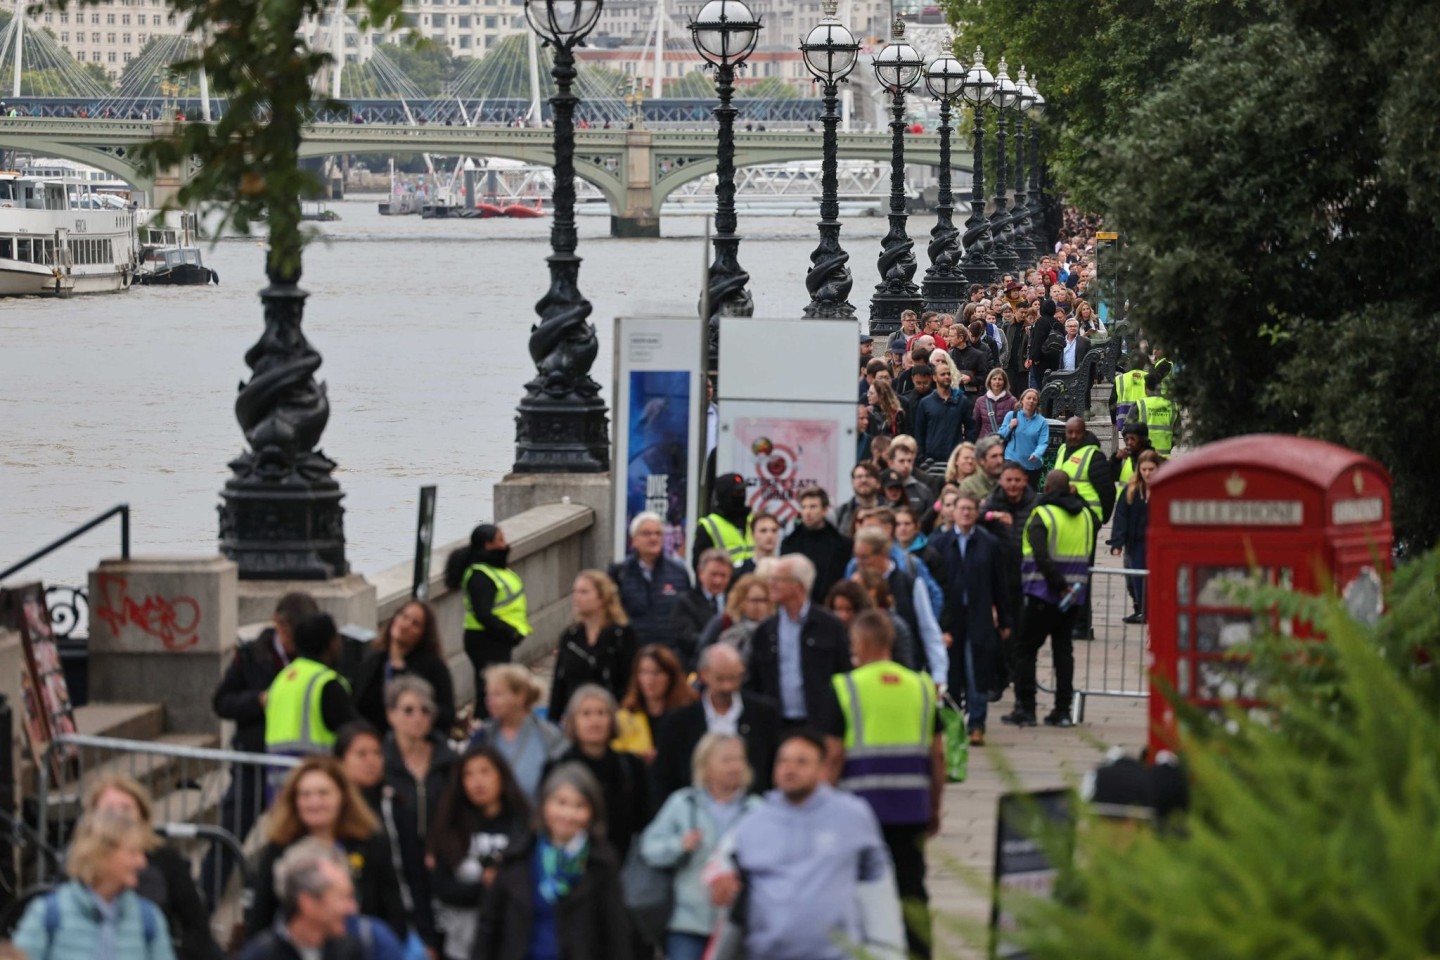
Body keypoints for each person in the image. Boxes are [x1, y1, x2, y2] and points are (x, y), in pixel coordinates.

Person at [706, 730, 901, 960]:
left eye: (801, 762)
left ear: (822, 769)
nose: (790, 769)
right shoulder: (753, 821)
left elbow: (878, 881)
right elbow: (720, 866)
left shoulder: (852, 816)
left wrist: (888, 950)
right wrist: (721, 880)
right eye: (784, 761)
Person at [831, 612, 945, 959]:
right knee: (911, 890)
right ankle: (919, 952)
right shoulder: (922, 687)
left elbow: (834, 754)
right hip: (910, 807)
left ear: (862, 642)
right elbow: (937, 755)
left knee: (854, 888)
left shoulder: (845, 686)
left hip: (858, 809)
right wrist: (934, 807)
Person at [207, 591, 317, 905]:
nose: (297, 641)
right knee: (229, 835)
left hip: (296, 766)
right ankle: (205, 903)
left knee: (297, 840)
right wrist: (258, 701)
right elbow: (222, 702)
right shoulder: (252, 655)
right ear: (278, 625)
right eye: (292, 632)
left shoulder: (314, 656)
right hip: (253, 761)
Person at [473, 764, 631, 960]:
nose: (568, 814)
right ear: (544, 805)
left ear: (592, 812)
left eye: (579, 805)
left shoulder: (602, 863)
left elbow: (616, 933)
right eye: (561, 802)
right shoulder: (518, 855)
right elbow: (489, 924)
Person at [245, 757, 407, 939]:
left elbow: (393, 907)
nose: (314, 803)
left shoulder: (369, 843)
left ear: (342, 796)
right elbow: (261, 915)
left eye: (323, 793)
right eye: (305, 795)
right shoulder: (280, 848)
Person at [639, 734, 762, 960]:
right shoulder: (684, 803)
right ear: (705, 766)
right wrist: (679, 845)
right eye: (726, 760)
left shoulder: (757, 810)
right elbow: (649, 847)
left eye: (739, 759)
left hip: (740, 922)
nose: (735, 767)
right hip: (688, 922)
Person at [82, 777, 222, 960]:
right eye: (109, 812)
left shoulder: (166, 861)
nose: (118, 819)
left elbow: (196, 926)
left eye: (125, 809)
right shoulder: (75, 872)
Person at [1002, 470, 1099, 729]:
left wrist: (1057, 585)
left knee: (1025, 650)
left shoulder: (1042, 515)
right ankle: (1063, 710)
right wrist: (1070, 588)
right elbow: (1087, 556)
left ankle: (1026, 708)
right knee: (1063, 650)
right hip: (1074, 596)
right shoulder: (1087, 517)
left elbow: (1041, 555)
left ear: (1046, 486)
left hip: (1042, 593)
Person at [12, 809, 175, 960]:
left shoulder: (149, 920)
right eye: (132, 853)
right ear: (101, 853)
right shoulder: (49, 914)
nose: (142, 862)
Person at [333, 723, 435, 953]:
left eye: (377, 753)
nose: (371, 760)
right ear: (340, 761)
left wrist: (427, 935)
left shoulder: (395, 805)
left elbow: (415, 872)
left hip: (398, 926)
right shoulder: (331, 810)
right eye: (361, 754)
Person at [427, 744, 532, 960]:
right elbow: (443, 888)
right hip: (461, 945)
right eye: (468, 774)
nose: (477, 782)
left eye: (485, 771)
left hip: (514, 942)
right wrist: (485, 886)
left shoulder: (524, 825)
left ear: (501, 775)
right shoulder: (449, 827)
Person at [651, 643, 781, 807]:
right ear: (704, 675)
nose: (728, 686)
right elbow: (663, 778)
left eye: (733, 678)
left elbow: (774, 767)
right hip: (694, 814)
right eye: (720, 678)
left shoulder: (764, 714)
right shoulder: (678, 722)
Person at [930, 493, 1011, 745]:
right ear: (952, 512)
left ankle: (977, 724)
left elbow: (1000, 584)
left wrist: (1006, 620)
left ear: (977, 512)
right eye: (961, 508)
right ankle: (953, 724)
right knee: (952, 674)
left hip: (979, 615)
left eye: (970, 509)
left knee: (976, 671)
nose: (965, 513)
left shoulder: (989, 543)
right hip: (950, 618)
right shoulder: (940, 543)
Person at [746, 555, 851, 731]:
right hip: (776, 727)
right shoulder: (765, 630)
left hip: (819, 726)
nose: (771, 584)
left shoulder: (830, 626)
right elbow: (755, 680)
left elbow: (843, 674)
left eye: (778, 580)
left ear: (799, 585)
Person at [545, 685, 650, 862]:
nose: (595, 721)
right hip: (569, 865)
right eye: (586, 714)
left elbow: (645, 818)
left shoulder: (631, 766)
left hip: (620, 866)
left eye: (601, 713)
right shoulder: (557, 767)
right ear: (573, 721)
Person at [445, 523, 530, 716]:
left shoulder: (495, 569)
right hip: (486, 640)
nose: (505, 544)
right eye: (500, 540)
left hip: (496, 639)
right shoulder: (480, 576)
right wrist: (509, 632)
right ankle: (486, 728)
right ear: (487, 545)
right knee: (491, 691)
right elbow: (483, 614)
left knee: (494, 688)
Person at [264, 613, 356, 787]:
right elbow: (352, 732)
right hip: (319, 783)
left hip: (279, 787)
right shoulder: (326, 683)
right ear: (331, 643)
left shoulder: (282, 679)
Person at [851, 528, 948, 691]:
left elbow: (928, 629)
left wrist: (939, 676)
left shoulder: (911, 584)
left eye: (865, 557)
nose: (858, 562)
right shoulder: (854, 583)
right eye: (857, 556)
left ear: (883, 554)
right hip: (864, 677)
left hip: (905, 673)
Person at [234, 841, 362, 960]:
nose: (352, 908)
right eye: (343, 898)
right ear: (308, 903)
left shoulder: (350, 951)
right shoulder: (260, 955)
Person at [352, 600, 455, 736]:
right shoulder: (375, 659)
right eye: (404, 616)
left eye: (415, 624)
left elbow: (447, 715)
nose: (406, 625)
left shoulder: (433, 667)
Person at [979, 461, 1040, 685]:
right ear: (1001, 481)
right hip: (997, 577)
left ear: (1025, 480)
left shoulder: (1035, 504)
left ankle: (1019, 674)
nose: (1013, 485)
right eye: (1009, 480)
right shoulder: (993, 501)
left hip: (1025, 578)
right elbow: (973, 517)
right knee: (997, 630)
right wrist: (992, 516)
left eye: (1017, 480)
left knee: (1021, 630)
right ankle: (999, 676)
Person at [471, 664, 568, 802]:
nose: (489, 701)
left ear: (520, 696)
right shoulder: (482, 736)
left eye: (497, 694)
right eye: (488, 694)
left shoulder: (549, 736)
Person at [549, 569, 638, 718]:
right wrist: (553, 720)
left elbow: (631, 680)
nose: (576, 597)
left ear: (602, 597)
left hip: (612, 716)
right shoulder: (570, 637)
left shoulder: (622, 635)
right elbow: (559, 683)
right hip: (576, 718)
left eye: (584, 592)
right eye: (575, 591)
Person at [382, 676, 456, 846]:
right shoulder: (380, 762)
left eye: (425, 710)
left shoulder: (450, 761)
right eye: (408, 710)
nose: (418, 717)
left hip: (442, 856)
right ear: (391, 715)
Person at [607, 512, 692, 650]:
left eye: (658, 534)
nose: (653, 538)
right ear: (634, 540)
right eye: (647, 534)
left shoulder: (679, 572)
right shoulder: (620, 573)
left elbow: (687, 615)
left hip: (669, 655)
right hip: (632, 655)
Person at [613, 644, 696, 761]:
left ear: (670, 677)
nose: (650, 680)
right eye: (644, 672)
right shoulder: (625, 716)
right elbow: (616, 753)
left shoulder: (687, 716)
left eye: (657, 673)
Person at [1108, 450, 1162, 624]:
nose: (1147, 473)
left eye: (1151, 469)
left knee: (1157, 578)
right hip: (1136, 543)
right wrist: (1117, 542)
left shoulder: (1163, 489)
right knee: (1137, 579)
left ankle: (1155, 610)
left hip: (1157, 543)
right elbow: (1121, 517)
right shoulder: (1131, 490)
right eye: (1144, 469)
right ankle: (1143, 610)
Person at [780, 485, 854, 603]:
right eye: (804, 507)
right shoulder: (789, 543)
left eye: (813, 507)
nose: (807, 512)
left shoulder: (843, 545)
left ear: (824, 510)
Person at [668, 549, 732, 672]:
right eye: (713, 574)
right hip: (695, 668)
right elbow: (686, 638)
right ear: (701, 573)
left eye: (723, 576)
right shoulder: (685, 602)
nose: (718, 581)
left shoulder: (734, 602)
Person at [696, 571, 772, 666]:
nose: (759, 606)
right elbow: (703, 651)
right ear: (741, 600)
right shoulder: (725, 621)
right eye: (754, 600)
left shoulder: (771, 626)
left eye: (764, 600)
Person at [850, 570, 919, 672]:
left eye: (855, 589)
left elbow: (905, 665)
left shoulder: (895, 625)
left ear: (872, 592)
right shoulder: (850, 621)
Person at [1055, 415, 1117, 525]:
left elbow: (1108, 491)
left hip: (1087, 518)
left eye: (1077, 432)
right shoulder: (1062, 449)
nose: (1073, 436)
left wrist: (1100, 519)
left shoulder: (1094, 456)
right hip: (1062, 515)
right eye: (1070, 432)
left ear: (1084, 433)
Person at [913, 359, 976, 465]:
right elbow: (919, 433)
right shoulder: (925, 403)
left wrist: (966, 451)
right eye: (942, 374)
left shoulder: (962, 401)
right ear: (934, 377)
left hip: (955, 458)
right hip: (931, 459)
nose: (946, 376)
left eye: (948, 374)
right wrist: (921, 457)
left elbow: (971, 429)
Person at [693, 472, 753, 571]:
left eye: (743, 491)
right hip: (723, 583)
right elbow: (699, 566)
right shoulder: (709, 526)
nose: (741, 495)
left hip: (755, 583)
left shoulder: (753, 520)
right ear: (724, 495)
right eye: (737, 492)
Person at [997, 388, 1049, 483]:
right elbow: (1000, 435)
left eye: (1034, 399)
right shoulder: (1011, 415)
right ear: (1022, 400)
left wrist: (1036, 454)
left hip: (1032, 465)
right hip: (1012, 461)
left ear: (1037, 403)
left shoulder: (1042, 422)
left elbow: (1043, 443)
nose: (1031, 401)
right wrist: (1010, 426)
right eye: (1028, 398)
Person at [882, 436, 935, 515]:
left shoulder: (924, 490)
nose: (906, 465)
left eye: (909, 461)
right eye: (901, 461)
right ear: (890, 463)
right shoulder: (879, 484)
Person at [1134, 372, 1177, 456]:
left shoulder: (1140, 405)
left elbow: (1128, 429)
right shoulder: (1172, 405)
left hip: (1143, 455)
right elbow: (1177, 433)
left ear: (1145, 388)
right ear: (1160, 387)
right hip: (1164, 455)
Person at [835, 462, 882, 538]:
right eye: (859, 477)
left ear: (878, 483)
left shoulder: (891, 511)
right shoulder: (840, 513)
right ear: (852, 483)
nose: (864, 480)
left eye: (868, 476)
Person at [959, 434, 1007, 503]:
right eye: (994, 456)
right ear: (982, 460)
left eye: (1001, 455)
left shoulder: (1011, 480)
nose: (1000, 461)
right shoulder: (969, 486)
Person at [973, 369, 1017, 439]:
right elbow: (975, 425)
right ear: (989, 381)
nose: (997, 382)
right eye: (994, 379)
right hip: (986, 442)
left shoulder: (1012, 401)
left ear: (1004, 382)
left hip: (1005, 441)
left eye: (1000, 379)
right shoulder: (980, 401)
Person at [1112, 421, 1158, 489]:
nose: (1129, 442)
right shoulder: (1123, 459)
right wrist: (1115, 460)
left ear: (1142, 440)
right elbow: (1109, 477)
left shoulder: (1156, 460)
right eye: (1126, 439)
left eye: (1132, 439)